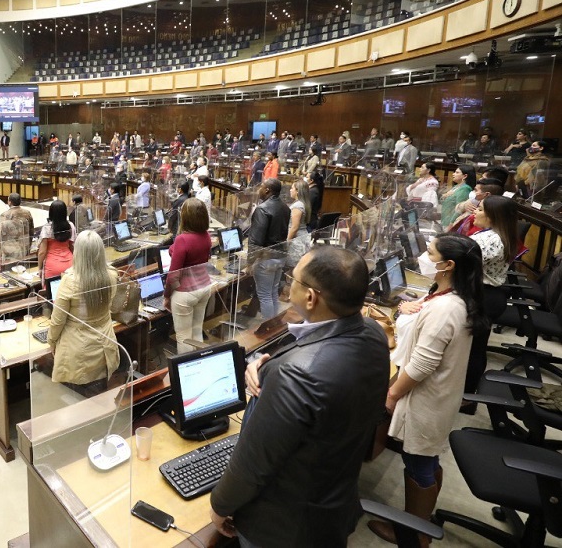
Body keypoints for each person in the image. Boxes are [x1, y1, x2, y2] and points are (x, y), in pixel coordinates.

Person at [209, 245, 390, 547]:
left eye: (293, 277)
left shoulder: (296, 375)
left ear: (310, 296)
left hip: (285, 526)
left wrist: (220, 506)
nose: (287, 282)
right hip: (333, 500)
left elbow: (255, 464)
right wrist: (269, 369)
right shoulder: (372, 331)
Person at [372, 234, 487, 545]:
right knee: (427, 459)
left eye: (430, 252)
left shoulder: (446, 310)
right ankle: (419, 523)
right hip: (440, 397)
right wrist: (411, 306)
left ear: (448, 265)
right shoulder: (451, 295)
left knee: (419, 462)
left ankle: (413, 534)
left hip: (428, 400)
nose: (424, 255)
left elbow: (422, 366)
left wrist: (391, 396)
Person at [47, 230, 119, 396]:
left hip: (78, 349)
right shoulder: (111, 275)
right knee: (99, 397)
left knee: (76, 401)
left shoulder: (70, 281)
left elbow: (58, 320)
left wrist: (51, 341)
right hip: (105, 345)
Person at [462, 196, 517, 400]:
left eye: (481, 209)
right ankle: (468, 395)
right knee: (477, 347)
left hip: (482, 296)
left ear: (493, 216)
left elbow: (458, 263)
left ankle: (467, 398)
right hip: (492, 294)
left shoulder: (487, 241)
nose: (475, 211)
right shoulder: (500, 234)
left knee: (473, 350)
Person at [163, 199, 213, 353]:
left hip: (185, 293)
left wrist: (166, 296)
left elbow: (173, 276)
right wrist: (174, 249)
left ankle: (185, 370)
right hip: (204, 288)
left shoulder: (182, 239)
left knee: (184, 337)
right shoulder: (206, 236)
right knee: (197, 331)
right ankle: (199, 362)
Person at [249, 179, 290, 319]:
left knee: (265, 295)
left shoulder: (263, 209)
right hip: (281, 255)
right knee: (272, 292)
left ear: (267, 190)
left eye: (261, 186)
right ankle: (273, 325)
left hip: (266, 258)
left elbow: (256, 241)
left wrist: (249, 263)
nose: (259, 189)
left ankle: (268, 328)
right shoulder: (285, 207)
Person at [38, 200, 74, 286]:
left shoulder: (47, 228)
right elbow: (72, 247)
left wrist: (39, 268)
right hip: (70, 263)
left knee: (52, 295)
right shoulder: (71, 226)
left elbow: (42, 252)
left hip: (52, 266)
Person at [0, 193, 35, 262]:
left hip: (10, 249)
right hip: (24, 246)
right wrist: (29, 244)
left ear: (9, 202)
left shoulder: (4, 215)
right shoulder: (27, 213)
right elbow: (31, 230)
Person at [439, 164, 476, 229]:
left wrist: (451, 225)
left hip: (450, 224)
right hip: (444, 220)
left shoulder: (465, 189)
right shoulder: (456, 187)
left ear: (465, 176)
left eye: (457, 172)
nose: (453, 174)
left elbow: (459, 210)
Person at [286, 179, 313, 264]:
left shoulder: (297, 206)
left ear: (297, 191)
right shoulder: (302, 203)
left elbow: (294, 227)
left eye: (292, 188)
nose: (290, 190)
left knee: (293, 267)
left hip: (296, 240)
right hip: (302, 236)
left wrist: (287, 242)